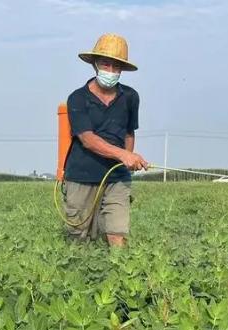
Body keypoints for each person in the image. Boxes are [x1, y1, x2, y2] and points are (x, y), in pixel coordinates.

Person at [63, 34, 148, 247]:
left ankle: (121, 275)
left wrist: (127, 163)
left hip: (116, 177)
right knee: (78, 237)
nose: (110, 71)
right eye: (105, 64)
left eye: (116, 66)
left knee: (117, 232)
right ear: (95, 65)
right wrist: (123, 154)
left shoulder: (130, 97)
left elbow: (129, 133)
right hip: (82, 175)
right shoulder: (77, 98)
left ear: (122, 70)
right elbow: (88, 139)